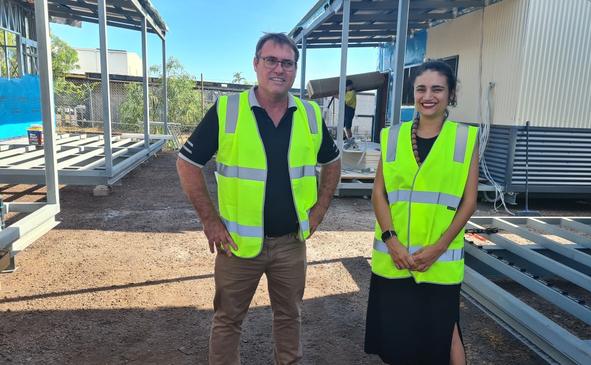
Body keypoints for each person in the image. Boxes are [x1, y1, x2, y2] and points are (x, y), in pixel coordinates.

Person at [176, 33, 341, 365]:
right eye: (271, 60)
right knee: (228, 320)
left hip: (291, 243)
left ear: (295, 69)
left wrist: (320, 209)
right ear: (256, 64)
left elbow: (333, 162)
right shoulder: (228, 109)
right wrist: (210, 221)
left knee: (289, 318)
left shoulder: (309, 114)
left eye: (287, 63)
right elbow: (187, 163)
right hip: (237, 244)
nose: (278, 69)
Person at [364, 60, 479, 365]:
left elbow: (469, 202)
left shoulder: (465, 139)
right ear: (413, 93)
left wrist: (438, 248)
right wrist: (392, 242)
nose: (428, 96)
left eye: (437, 89)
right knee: (398, 339)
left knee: (446, 334)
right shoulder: (391, 136)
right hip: (395, 259)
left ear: (450, 94)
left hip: (439, 260)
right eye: (421, 89)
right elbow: (379, 193)